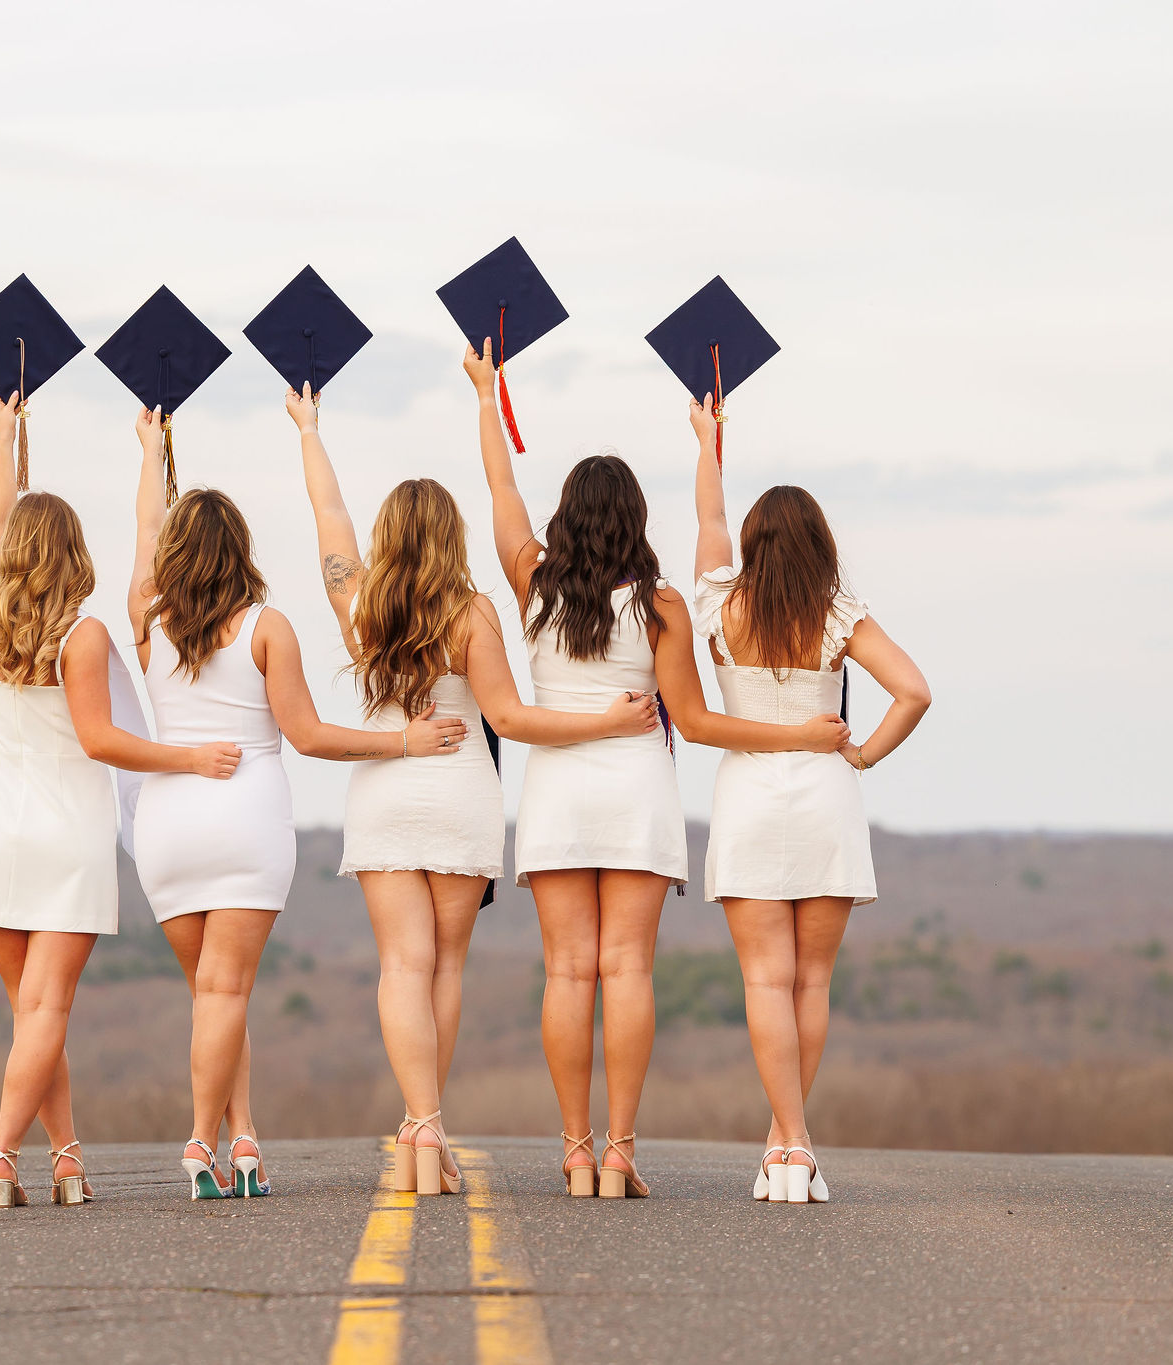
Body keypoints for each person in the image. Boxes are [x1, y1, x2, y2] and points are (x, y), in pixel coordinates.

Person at [464, 342, 850, 1199]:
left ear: (565, 520)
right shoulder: (664, 604)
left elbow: (499, 491)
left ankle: (574, 1147)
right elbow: (699, 716)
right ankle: (623, 1150)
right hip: (637, 784)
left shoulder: (533, 582)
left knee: (568, 970)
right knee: (627, 969)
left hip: (558, 784)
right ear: (636, 520)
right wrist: (709, 444)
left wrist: (487, 397)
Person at [284, 382, 659, 1196]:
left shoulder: (359, 602)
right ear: (450, 537)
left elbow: (330, 518)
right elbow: (512, 716)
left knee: (399, 967)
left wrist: (309, 431)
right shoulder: (474, 612)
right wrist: (608, 722)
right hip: (459, 795)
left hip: (383, 794)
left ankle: (422, 1122)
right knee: (445, 969)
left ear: (387, 538)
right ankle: (431, 1125)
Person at [125, 404, 468, 1200]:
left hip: (168, 823)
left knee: (211, 995)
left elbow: (144, 530)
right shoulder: (266, 626)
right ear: (241, 550)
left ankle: (243, 1141)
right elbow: (310, 736)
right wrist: (402, 743)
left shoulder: (148, 618)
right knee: (227, 993)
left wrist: (151, 451)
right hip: (245, 820)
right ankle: (202, 1140)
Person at [0, 392, 243, 1209]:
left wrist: (5, 440)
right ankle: (4, 1155)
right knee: (47, 1010)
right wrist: (188, 757)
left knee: (30, 1015)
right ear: (74, 551)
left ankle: (67, 1155)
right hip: (66, 834)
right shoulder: (81, 637)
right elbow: (102, 741)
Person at [688, 393, 931, 1204]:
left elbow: (710, 524)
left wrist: (708, 444)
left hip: (750, 799)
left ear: (755, 545)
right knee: (811, 984)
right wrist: (859, 752)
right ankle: (791, 1143)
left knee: (764, 980)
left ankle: (785, 1141)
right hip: (827, 798)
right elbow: (914, 691)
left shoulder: (721, 607)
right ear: (822, 544)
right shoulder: (836, 613)